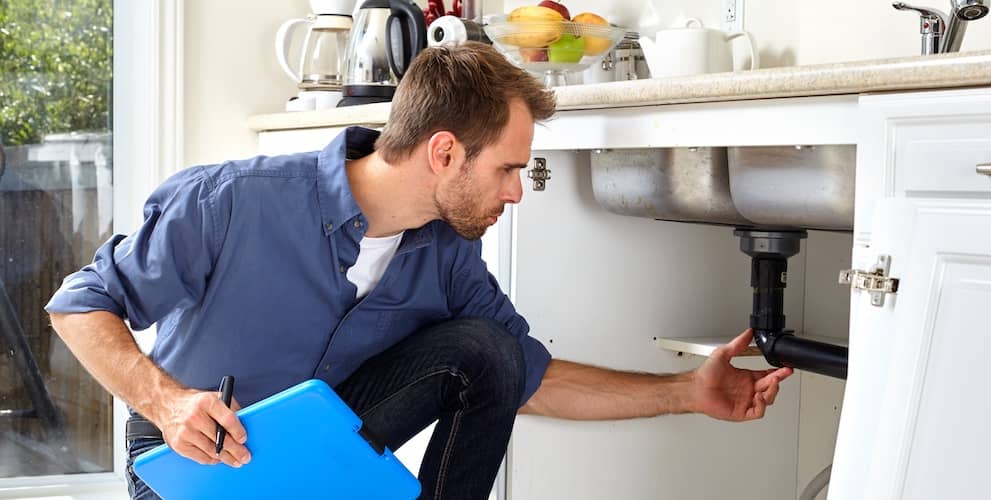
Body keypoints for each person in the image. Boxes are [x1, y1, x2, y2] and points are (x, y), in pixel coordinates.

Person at [45, 42, 794, 500]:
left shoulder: (447, 260)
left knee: (485, 349)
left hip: (314, 450)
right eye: (508, 169)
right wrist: (171, 404)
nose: (512, 191)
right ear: (443, 153)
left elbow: (525, 377)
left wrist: (686, 394)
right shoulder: (231, 200)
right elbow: (80, 306)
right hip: (193, 458)